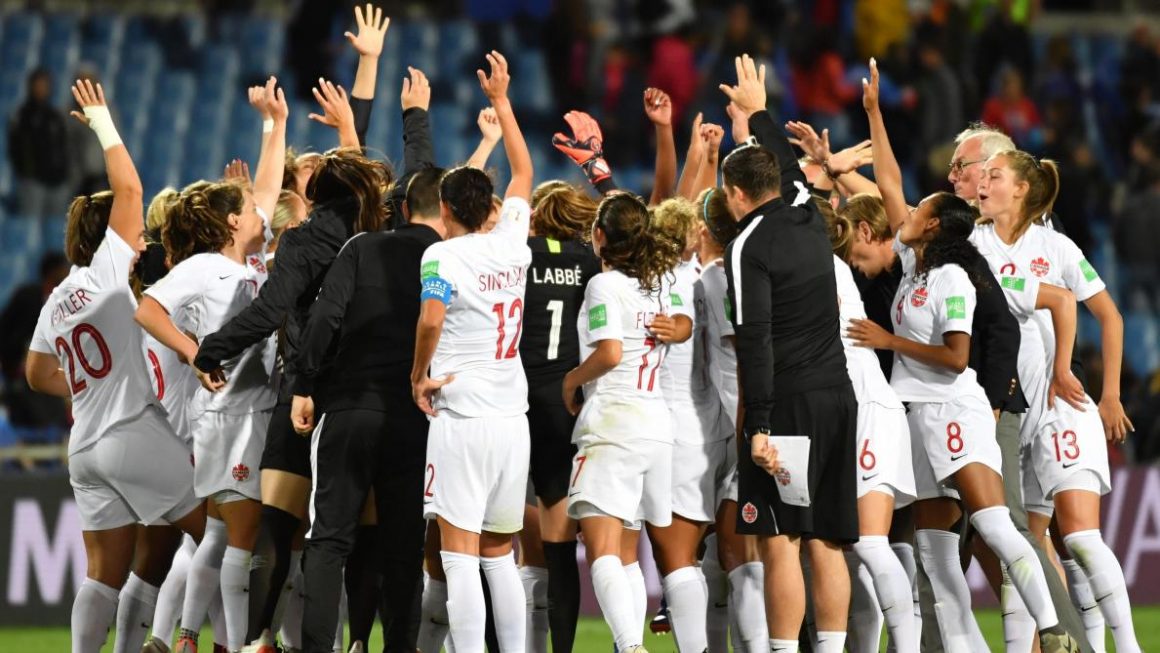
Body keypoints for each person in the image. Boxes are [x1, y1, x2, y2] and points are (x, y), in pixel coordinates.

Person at [850, 58, 1079, 653]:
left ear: (931, 227)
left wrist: (889, 342)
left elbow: (957, 358)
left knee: (996, 525)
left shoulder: (953, 274)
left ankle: (1053, 633)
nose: (906, 214)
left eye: (918, 212)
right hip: (915, 416)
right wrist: (873, 116)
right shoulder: (912, 272)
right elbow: (892, 185)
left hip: (956, 408)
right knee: (936, 559)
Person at [23, 78, 205, 653]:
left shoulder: (57, 299)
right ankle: (194, 639)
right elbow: (129, 187)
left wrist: (81, 394)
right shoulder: (107, 273)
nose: (142, 239)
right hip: (130, 431)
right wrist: (104, 120)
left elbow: (33, 372)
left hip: (85, 448)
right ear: (109, 239)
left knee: (104, 571)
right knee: (222, 533)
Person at [135, 76, 287, 653]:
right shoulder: (203, 268)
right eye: (247, 208)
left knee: (220, 535)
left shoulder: (245, 261)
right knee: (242, 543)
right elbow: (149, 310)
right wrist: (193, 349)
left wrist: (274, 123)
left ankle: (186, 638)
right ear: (231, 223)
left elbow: (268, 189)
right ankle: (240, 643)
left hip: (244, 411)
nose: (259, 210)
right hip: (231, 414)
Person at [974, 148, 1141, 653]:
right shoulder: (971, 242)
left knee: (1081, 539)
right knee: (1026, 549)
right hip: (1003, 415)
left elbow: (1110, 316)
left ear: (1021, 189)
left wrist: (1109, 394)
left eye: (992, 176)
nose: (982, 183)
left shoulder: (1057, 247)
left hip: (1055, 406)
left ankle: (1128, 647)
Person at [718, 54, 858, 653]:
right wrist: (757, 114)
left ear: (734, 193)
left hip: (791, 408)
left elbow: (755, 338)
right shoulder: (806, 210)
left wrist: (761, 425)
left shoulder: (747, 243)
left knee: (780, 541)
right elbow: (781, 158)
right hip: (838, 397)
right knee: (827, 539)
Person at [410, 50, 534, 653]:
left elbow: (431, 321)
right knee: (499, 556)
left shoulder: (442, 256)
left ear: (445, 211)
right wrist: (504, 102)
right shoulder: (514, 242)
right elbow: (524, 173)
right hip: (514, 418)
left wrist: (417, 377)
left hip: (461, 414)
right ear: (488, 208)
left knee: (458, 558)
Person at [287, 164, 424, 653]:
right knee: (405, 547)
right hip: (416, 418)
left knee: (328, 541)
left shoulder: (361, 248)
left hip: (350, 407)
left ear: (399, 210)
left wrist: (305, 383)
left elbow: (324, 320)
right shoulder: (446, 259)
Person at [559, 191, 689, 653]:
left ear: (599, 237)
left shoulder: (604, 286)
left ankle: (630, 649)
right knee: (629, 555)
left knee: (601, 550)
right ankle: (631, 645)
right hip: (656, 426)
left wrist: (571, 380)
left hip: (614, 423)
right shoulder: (658, 283)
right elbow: (683, 323)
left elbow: (610, 353)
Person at [825, 201, 920, 653]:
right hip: (855, 409)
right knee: (852, 549)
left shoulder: (822, 271)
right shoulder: (835, 268)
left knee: (869, 542)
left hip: (866, 410)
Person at [517, 183, 602, 653]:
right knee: (559, 542)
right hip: (562, 407)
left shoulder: (518, 255)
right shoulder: (589, 265)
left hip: (511, 402)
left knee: (492, 542)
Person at [7, 68, 70, 218]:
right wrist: (26, 172)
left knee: (58, 229)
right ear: (30, 86)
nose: (41, 89)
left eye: (44, 85)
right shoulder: (21, 115)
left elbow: (63, 146)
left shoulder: (55, 116)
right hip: (32, 182)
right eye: (38, 85)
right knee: (30, 225)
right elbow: (14, 148)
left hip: (56, 182)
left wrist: (63, 172)